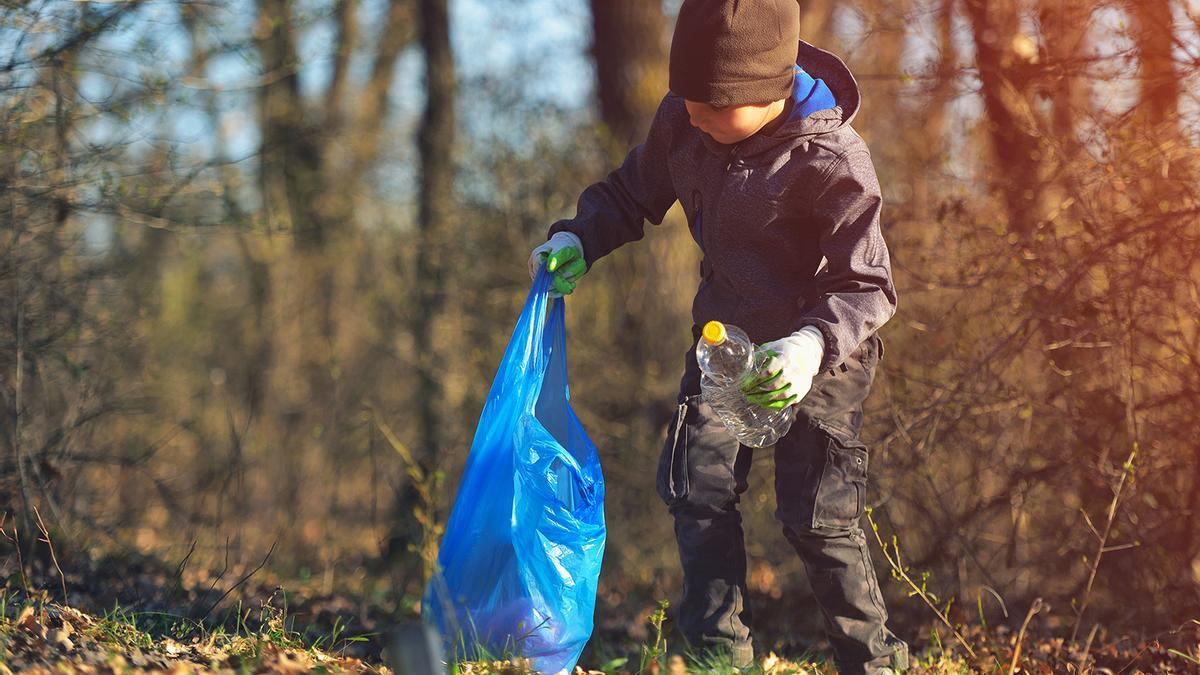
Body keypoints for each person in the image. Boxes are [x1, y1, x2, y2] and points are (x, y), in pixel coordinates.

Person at [526, 0, 908, 672]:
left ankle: (873, 660)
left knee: (816, 515)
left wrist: (809, 345)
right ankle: (717, 653)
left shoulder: (832, 157)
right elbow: (629, 193)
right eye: (686, 100)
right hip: (725, 340)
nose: (692, 117)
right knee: (696, 483)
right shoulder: (686, 121)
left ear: (770, 92)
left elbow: (868, 284)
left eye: (712, 106)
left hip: (822, 352)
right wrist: (578, 236)